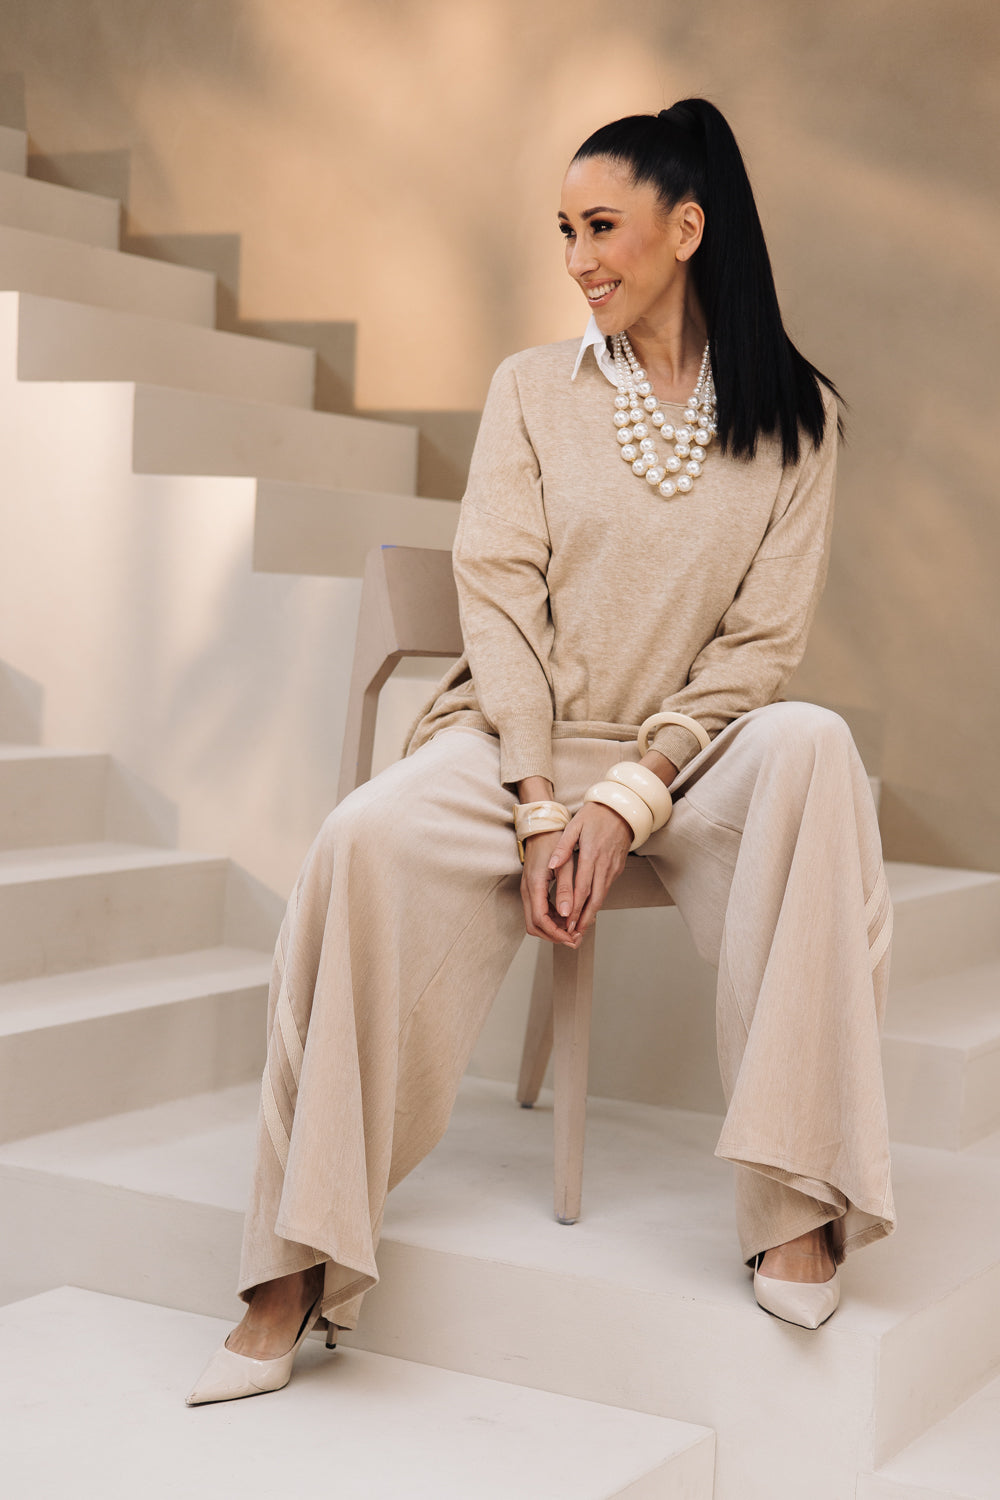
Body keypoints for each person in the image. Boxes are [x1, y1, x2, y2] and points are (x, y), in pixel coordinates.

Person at [186, 98, 895, 1406]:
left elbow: (759, 649)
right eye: (564, 231)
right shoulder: (532, 391)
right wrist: (534, 800)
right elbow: (500, 606)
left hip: (690, 757)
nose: (578, 259)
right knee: (360, 835)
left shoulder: (798, 418)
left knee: (814, 745)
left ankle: (798, 1195)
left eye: (601, 227)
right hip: (519, 742)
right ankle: (297, 1255)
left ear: (687, 228)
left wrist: (626, 799)